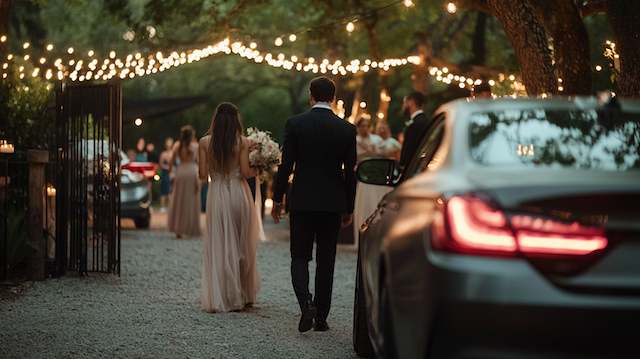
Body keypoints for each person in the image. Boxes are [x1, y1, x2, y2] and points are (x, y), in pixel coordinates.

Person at [272, 77, 357, 333]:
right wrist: (349, 207)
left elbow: (286, 166)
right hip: (332, 203)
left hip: (302, 200)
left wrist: (277, 198)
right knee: (326, 260)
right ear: (333, 97)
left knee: (299, 256)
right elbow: (350, 173)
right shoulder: (346, 129)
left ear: (311, 95)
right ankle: (321, 318)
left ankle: (306, 303)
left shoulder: (296, 124)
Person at [198, 103, 261, 313]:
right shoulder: (243, 142)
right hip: (238, 193)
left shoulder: (204, 143)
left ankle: (225, 294)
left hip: (216, 194)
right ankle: (243, 295)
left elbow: (201, 174)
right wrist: (260, 166)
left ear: (215, 119)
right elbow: (245, 172)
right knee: (242, 243)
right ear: (236, 120)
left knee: (221, 243)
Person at [353, 117, 385, 240]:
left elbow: (383, 154)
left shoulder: (376, 139)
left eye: (367, 126)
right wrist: (367, 153)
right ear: (358, 128)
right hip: (362, 177)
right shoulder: (355, 140)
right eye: (362, 126)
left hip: (376, 177)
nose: (365, 128)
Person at [167, 126, 201, 238]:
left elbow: (170, 163)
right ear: (191, 135)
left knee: (179, 200)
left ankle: (178, 229)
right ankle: (190, 229)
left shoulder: (177, 145)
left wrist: (171, 174)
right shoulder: (195, 146)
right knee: (191, 201)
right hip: (192, 172)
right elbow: (199, 162)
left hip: (181, 172)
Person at [399, 91, 429, 169]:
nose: (403, 106)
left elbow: (410, 150)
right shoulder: (423, 120)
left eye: (405, 102)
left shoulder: (417, 123)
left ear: (411, 102)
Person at [158, 137, 174, 210]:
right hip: (165, 173)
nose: (169, 145)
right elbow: (160, 165)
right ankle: (162, 206)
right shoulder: (163, 154)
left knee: (171, 190)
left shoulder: (173, 153)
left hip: (172, 173)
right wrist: (167, 168)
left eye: (170, 143)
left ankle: (170, 206)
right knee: (164, 190)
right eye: (168, 143)